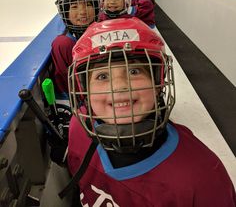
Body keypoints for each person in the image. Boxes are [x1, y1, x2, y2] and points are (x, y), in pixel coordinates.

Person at [67, 18, 236, 206]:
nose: (120, 86)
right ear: (84, 88)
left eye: (134, 71)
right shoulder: (77, 127)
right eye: (102, 76)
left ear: (157, 83)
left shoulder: (202, 176)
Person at [51, 0, 99, 98]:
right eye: (74, 6)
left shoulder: (102, 31)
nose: (83, 12)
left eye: (88, 4)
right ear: (65, 12)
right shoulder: (63, 44)